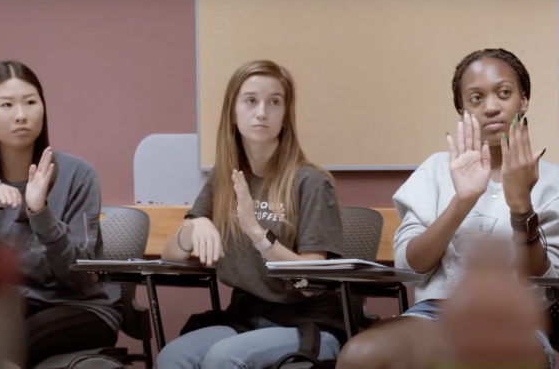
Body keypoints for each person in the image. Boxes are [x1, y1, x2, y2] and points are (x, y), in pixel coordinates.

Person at [336, 48, 559, 369]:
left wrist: (521, 208)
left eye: (504, 93)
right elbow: (411, 269)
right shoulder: (437, 170)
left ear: (523, 99)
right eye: (476, 98)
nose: (492, 107)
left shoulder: (552, 181)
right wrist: (462, 200)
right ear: (462, 110)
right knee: (361, 355)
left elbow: (540, 289)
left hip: (517, 322)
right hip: (433, 315)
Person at [156, 60, 345, 369]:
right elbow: (171, 255)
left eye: (274, 102)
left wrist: (257, 234)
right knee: (172, 357)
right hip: (245, 319)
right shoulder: (225, 177)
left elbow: (312, 281)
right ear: (233, 111)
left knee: (223, 358)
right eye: (251, 100)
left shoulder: (311, 182)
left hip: (310, 323)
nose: (262, 112)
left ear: (285, 116)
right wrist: (195, 226)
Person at [0, 60, 122, 368]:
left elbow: (78, 274)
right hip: (5, 309)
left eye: (31, 103)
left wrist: (40, 211)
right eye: (6, 105)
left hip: (77, 307)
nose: (21, 115)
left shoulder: (77, 174)